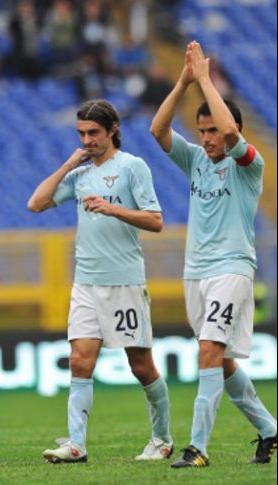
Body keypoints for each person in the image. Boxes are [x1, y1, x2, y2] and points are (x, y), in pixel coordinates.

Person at [149, 41, 277, 468]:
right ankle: (271, 430)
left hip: (232, 268)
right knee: (220, 362)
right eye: (202, 132)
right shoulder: (196, 161)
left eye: (213, 132)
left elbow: (235, 134)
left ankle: (198, 448)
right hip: (196, 271)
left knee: (207, 350)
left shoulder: (248, 165)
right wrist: (184, 81)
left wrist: (204, 78)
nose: (206, 139)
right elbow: (158, 131)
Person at [28, 99, 173, 463]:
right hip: (86, 282)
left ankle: (162, 438)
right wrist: (67, 165)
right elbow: (36, 203)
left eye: (94, 133)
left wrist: (112, 208)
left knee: (140, 365)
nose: (88, 140)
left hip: (124, 281)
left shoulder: (132, 168)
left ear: (112, 130)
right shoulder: (79, 174)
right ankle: (76, 445)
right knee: (80, 360)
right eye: (81, 133)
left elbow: (155, 221)